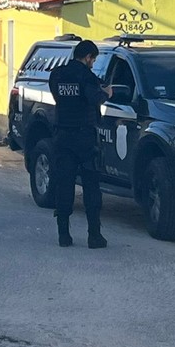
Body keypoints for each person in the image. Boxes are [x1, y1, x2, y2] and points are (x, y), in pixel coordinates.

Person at [48, 39, 112, 248]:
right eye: (93, 60)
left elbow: (58, 96)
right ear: (88, 57)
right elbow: (94, 98)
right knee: (91, 187)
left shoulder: (57, 75)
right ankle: (94, 236)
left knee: (64, 184)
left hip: (62, 137)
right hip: (84, 139)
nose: (93, 63)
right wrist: (106, 93)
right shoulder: (86, 76)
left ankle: (63, 235)